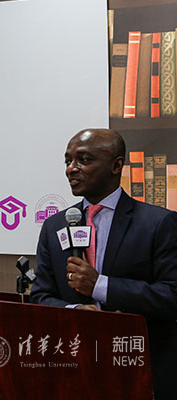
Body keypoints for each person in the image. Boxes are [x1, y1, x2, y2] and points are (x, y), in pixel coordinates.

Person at [30, 128, 177, 399]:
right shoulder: (54, 226)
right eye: (68, 161)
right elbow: (40, 296)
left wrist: (100, 286)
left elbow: (171, 296)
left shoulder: (158, 223)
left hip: (137, 368)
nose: (71, 169)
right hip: (72, 369)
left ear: (116, 165)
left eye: (84, 160)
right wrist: (74, 310)